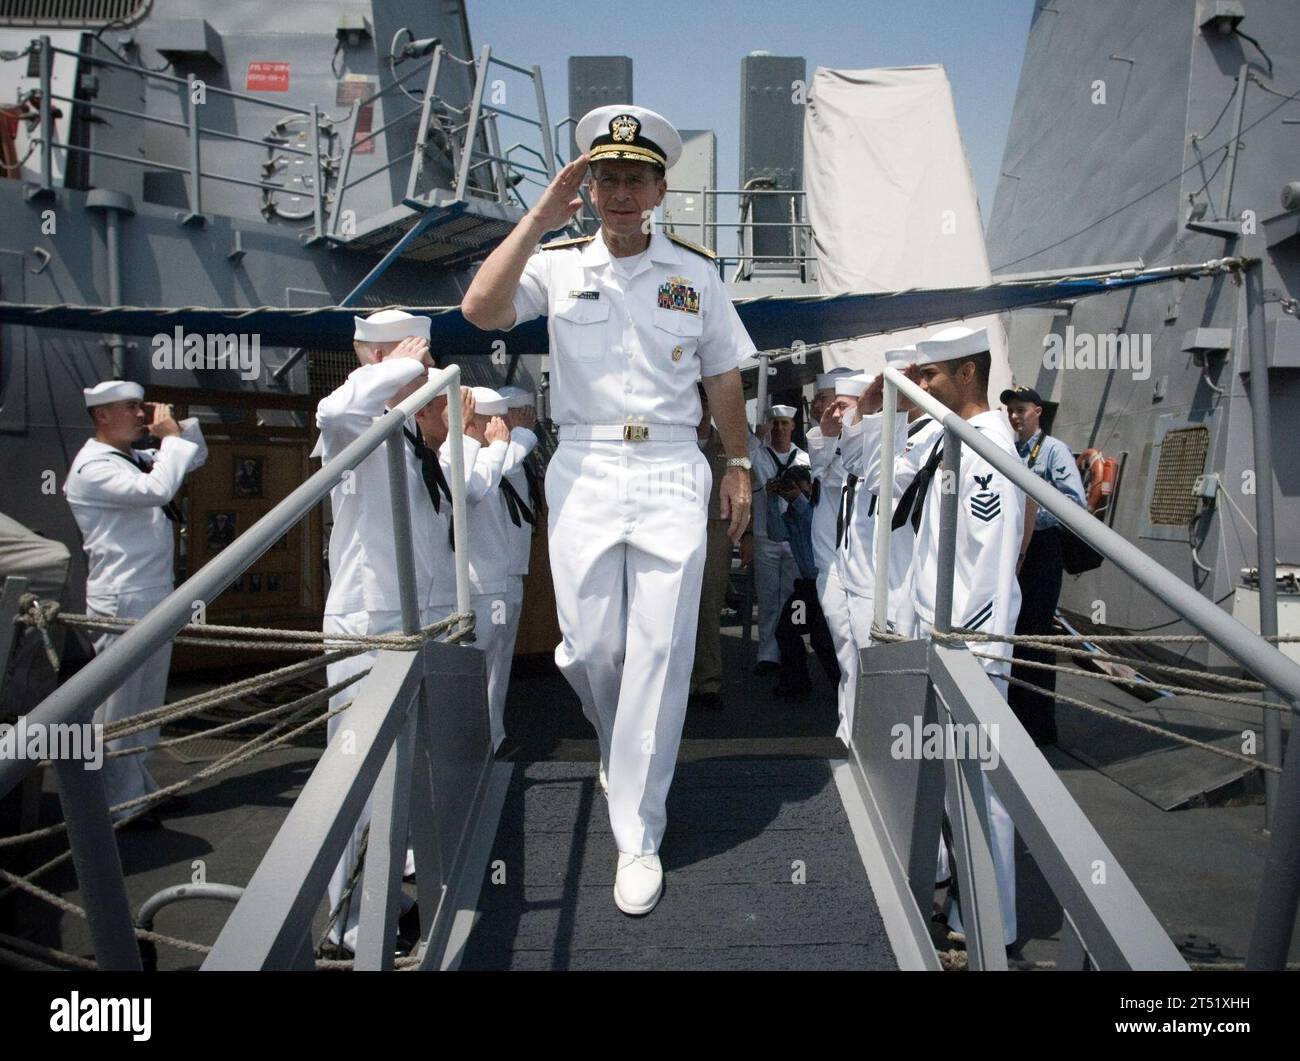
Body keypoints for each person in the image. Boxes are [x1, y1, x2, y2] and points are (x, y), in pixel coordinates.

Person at [460, 104, 754, 916]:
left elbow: (724, 372)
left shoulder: (695, 272)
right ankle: (618, 744)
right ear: (585, 188)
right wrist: (535, 217)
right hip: (585, 461)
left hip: (668, 461)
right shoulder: (555, 264)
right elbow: (479, 310)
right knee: (590, 647)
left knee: (659, 648)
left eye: (636, 178)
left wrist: (737, 464)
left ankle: (638, 831)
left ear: (660, 187)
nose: (621, 192)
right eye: (606, 178)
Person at [878, 325, 1024, 949]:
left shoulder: (989, 451)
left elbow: (989, 563)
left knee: (984, 789)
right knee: (950, 784)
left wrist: (974, 654)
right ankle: (960, 898)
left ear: (967, 374)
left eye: (933, 375)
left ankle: (992, 919)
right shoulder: (951, 438)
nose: (924, 385)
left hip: (970, 650)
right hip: (941, 645)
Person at [314, 309, 443, 954]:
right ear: (373, 359)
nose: (422, 367)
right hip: (367, 626)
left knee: (396, 767)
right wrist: (398, 367)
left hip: (405, 625)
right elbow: (332, 413)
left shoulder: (411, 433)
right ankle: (349, 926)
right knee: (356, 775)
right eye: (405, 356)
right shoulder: (352, 422)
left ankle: (383, 906)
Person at [64, 381, 207, 828]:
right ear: (102, 416)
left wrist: (175, 429)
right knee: (120, 705)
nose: (140, 415)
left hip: (151, 592)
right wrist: (168, 439)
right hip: (122, 597)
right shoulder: (93, 468)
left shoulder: (129, 459)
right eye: (130, 408)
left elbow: (193, 457)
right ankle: (116, 806)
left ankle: (139, 789)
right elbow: (157, 491)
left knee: (146, 701)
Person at [1001, 384, 1087, 746]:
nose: (1015, 416)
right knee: (1012, 635)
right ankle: (1016, 721)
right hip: (1012, 553)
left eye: (1021, 409)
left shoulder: (1053, 452)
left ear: (1038, 411)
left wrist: (1030, 517)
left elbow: (1074, 505)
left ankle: (1039, 730)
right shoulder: (1008, 451)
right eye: (1011, 410)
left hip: (1040, 553)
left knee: (1034, 636)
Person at [805, 369, 857, 738]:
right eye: (820, 398)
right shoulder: (820, 437)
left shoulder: (860, 444)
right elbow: (819, 470)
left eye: (829, 399)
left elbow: (839, 475)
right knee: (842, 647)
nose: (821, 406)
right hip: (828, 565)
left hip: (850, 566)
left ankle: (854, 729)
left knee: (853, 650)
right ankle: (850, 723)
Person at [493, 386, 542, 744]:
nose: (532, 420)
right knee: (486, 663)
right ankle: (484, 737)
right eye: (525, 413)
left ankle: (492, 733)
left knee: (500, 662)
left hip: (511, 573)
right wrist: (521, 432)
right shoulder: (494, 453)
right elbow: (504, 463)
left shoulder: (516, 454)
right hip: (491, 578)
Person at [766, 463, 839, 697]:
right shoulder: (791, 516)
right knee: (788, 630)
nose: (792, 490)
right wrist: (771, 499)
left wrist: (798, 499)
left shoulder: (818, 508)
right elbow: (776, 533)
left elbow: (812, 523)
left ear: (808, 485)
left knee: (822, 640)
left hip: (827, 584)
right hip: (807, 588)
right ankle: (795, 683)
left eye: (797, 485)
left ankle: (844, 689)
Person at [748, 405, 810, 674]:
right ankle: (767, 653)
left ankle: (791, 650)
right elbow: (743, 451)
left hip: (795, 539)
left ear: (793, 426)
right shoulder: (759, 455)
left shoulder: (804, 459)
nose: (779, 429)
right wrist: (758, 437)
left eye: (784, 423)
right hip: (765, 535)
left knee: (792, 596)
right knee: (768, 596)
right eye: (774, 424)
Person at [689, 382, 733, 710]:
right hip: (678, 527)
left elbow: (749, 491)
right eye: (698, 399)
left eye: (706, 399)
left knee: (709, 606)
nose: (703, 406)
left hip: (716, 531)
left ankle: (708, 682)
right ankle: (680, 681)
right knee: (675, 606)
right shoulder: (678, 443)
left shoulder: (728, 445)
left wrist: (746, 539)